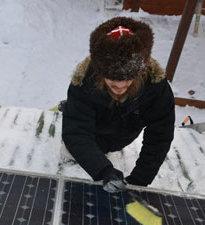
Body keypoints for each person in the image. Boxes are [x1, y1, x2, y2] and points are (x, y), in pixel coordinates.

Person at [61, 17, 175, 193]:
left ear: (140, 71)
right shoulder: (83, 83)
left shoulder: (156, 87)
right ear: (99, 72)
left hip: (123, 137)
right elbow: (76, 133)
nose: (120, 86)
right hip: (93, 134)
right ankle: (69, 108)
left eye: (127, 80)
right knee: (69, 151)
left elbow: (160, 136)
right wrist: (102, 170)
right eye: (112, 81)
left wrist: (139, 180)